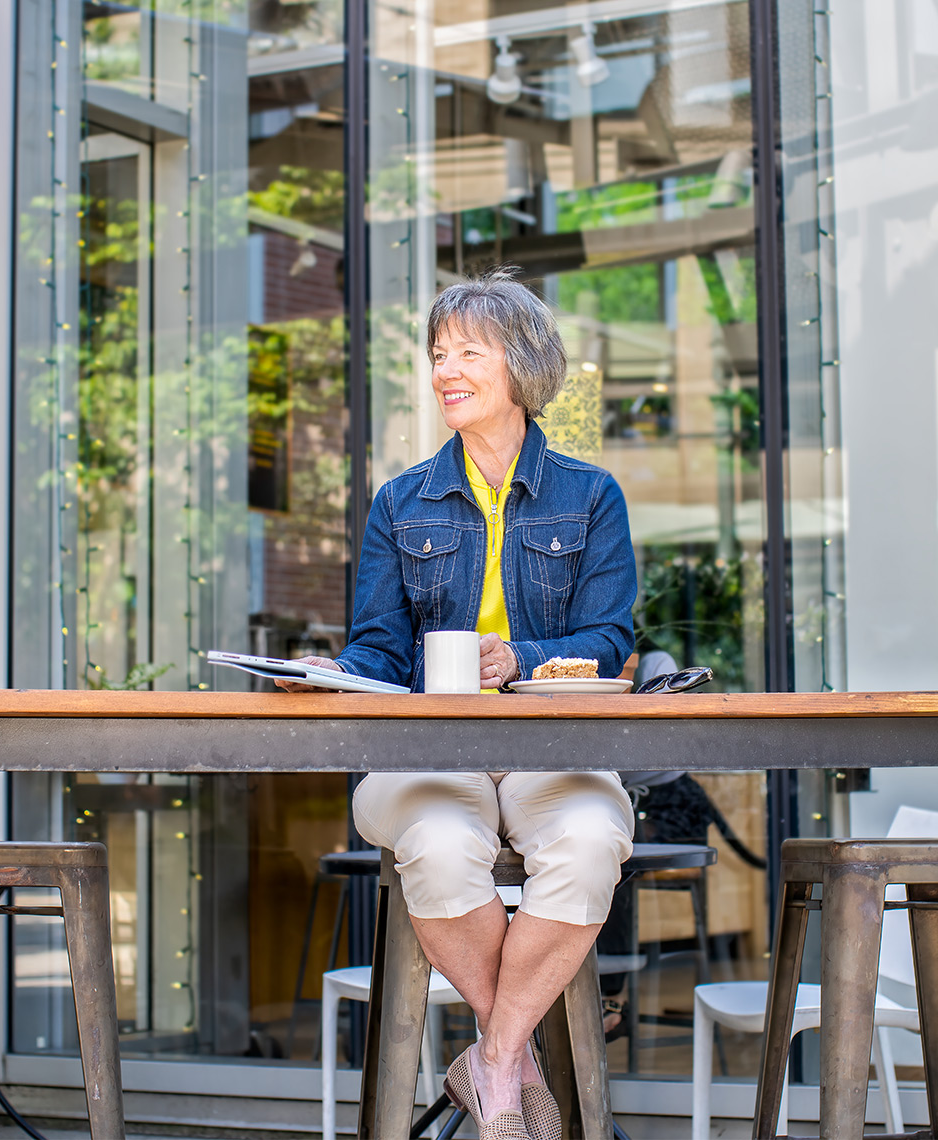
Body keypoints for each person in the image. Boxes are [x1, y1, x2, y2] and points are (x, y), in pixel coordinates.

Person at [278, 269, 637, 1139]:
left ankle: (495, 1057)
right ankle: (510, 1068)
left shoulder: (590, 496)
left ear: (522, 364)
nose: (447, 369)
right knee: (437, 846)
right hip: (428, 747)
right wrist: (331, 672)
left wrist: (521, 657)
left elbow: (611, 636)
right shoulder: (400, 501)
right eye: (439, 354)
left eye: (467, 352)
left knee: (592, 841)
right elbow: (378, 646)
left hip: (548, 743)